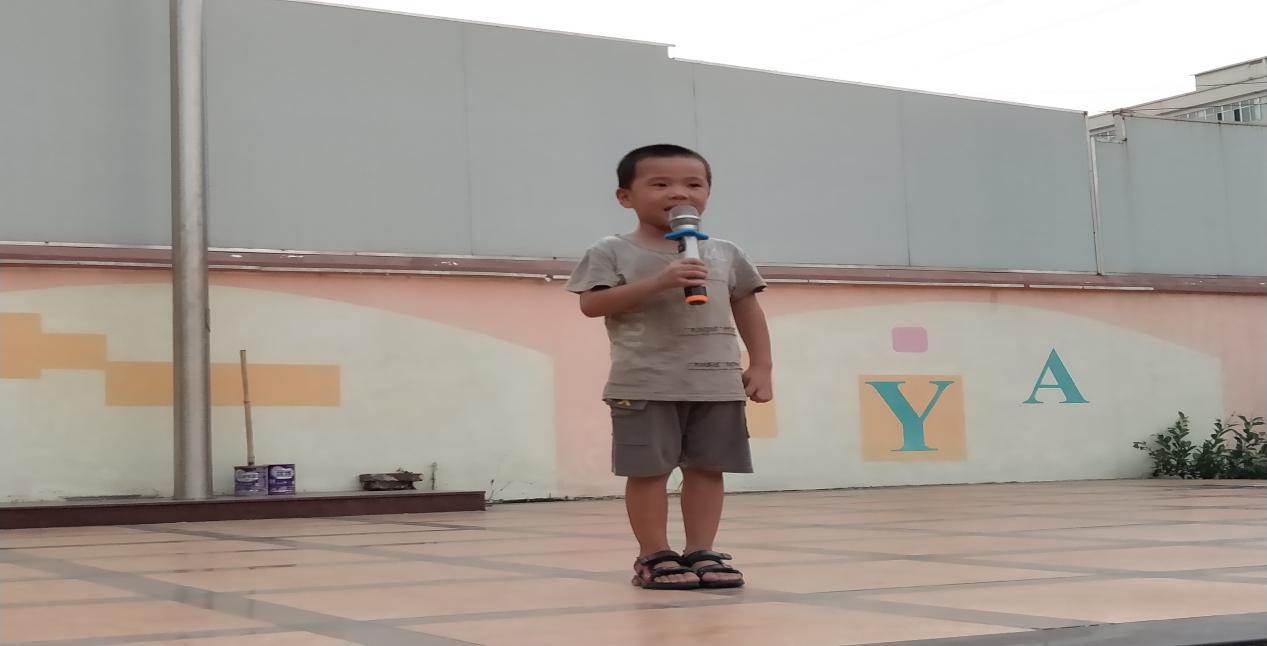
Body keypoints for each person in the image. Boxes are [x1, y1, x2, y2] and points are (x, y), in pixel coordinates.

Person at [566, 144, 773, 589]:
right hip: (645, 382)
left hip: (716, 383)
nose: (679, 193)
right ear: (626, 197)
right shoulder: (610, 251)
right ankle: (654, 554)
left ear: (708, 194)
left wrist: (762, 365)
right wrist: (659, 281)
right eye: (660, 184)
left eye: (693, 184)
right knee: (648, 471)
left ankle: (702, 550)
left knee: (708, 468)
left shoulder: (725, 253)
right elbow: (592, 304)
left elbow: (748, 308)